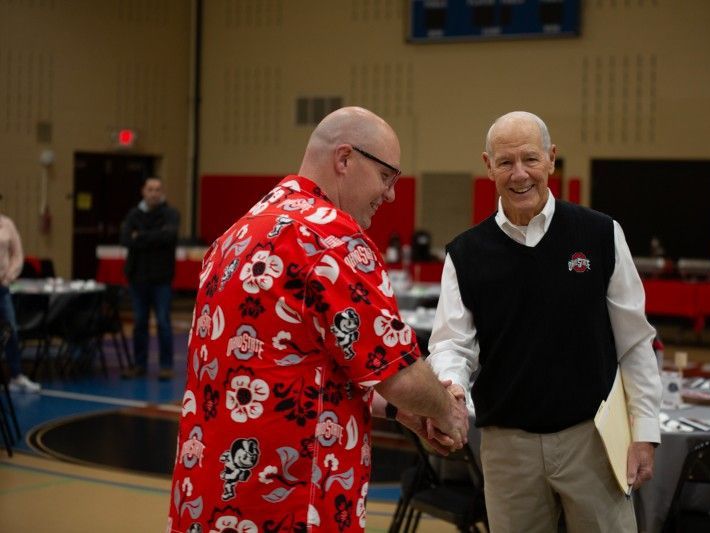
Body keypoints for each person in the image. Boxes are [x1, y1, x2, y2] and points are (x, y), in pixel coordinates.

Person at [166, 106, 468, 532]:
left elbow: (295, 364)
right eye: (387, 177)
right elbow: (396, 372)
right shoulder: (333, 240)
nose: (391, 195)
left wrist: (398, 411)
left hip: (209, 497)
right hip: (292, 501)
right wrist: (445, 410)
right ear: (345, 159)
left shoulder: (235, 235)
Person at [427, 111, 662, 532]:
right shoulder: (465, 254)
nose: (520, 174)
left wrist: (644, 430)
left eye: (530, 159)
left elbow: (635, 342)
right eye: (505, 162)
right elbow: (451, 344)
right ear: (488, 166)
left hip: (592, 438)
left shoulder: (601, 234)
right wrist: (452, 388)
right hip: (506, 448)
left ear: (552, 159)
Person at [120, 176, 180, 380]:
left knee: (163, 321)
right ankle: (139, 365)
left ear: (162, 192)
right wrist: (154, 236)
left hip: (162, 278)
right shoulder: (133, 215)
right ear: (143, 191)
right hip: (138, 278)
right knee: (139, 323)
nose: (154, 193)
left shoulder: (171, 214)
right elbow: (126, 239)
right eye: (150, 189)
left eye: (157, 189)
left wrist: (141, 236)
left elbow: (169, 236)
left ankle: (166, 366)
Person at [0, 211, 41, 393]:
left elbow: (17, 254)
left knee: (11, 331)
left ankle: (16, 375)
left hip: (2, 287)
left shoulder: (7, 224)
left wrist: (8, 276)